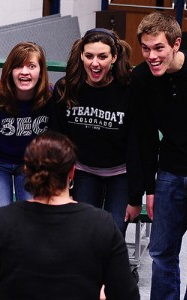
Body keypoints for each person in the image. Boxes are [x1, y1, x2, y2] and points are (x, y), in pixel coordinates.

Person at [127, 11, 187, 300]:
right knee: (161, 252)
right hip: (168, 172)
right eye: (145, 48)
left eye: (159, 48)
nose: (151, 56)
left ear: (176, 44)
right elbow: (143, 137)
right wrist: (149, 189)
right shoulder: (142, 77)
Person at [0, 131, 140, 299]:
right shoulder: (101, 225)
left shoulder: (0, 223)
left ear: (26, 170)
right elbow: (127, 294)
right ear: (72, 172)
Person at [52, 28, 141, 236]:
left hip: (120, 174)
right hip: (83, 172)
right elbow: (58, 139)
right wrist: (59, 183)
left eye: (103, 56)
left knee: (114, 233)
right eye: (89, 56)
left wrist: (136, 197)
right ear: (81, 55)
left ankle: (108, 269)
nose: (95, 63)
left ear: (114, 56)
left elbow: (137, 144)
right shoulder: (66, 89)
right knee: (81, 232)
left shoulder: (128, 90)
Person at [0, 41, 53, 216]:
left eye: (31, 66)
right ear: (10, 70)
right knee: (1, 219)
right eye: (18, 66)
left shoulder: (50, 98)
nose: (24, 72)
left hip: (31, 164)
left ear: (41, 71)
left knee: (30, 218)